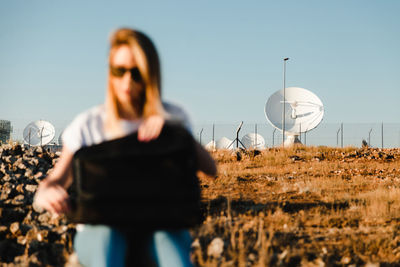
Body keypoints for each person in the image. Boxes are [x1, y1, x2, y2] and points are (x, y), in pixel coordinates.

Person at [34, 28, 217, 267]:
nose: (127, 81)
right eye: (119, 71)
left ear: (151, 74)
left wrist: (172, 130)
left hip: (159, 227)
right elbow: (55, 181)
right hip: (101, 230)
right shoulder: (89, 125)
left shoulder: (173, 117)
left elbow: (210, 169)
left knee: (171, 251)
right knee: (106, 244)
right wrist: (47, 193)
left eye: (136, 72)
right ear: (109, 73)